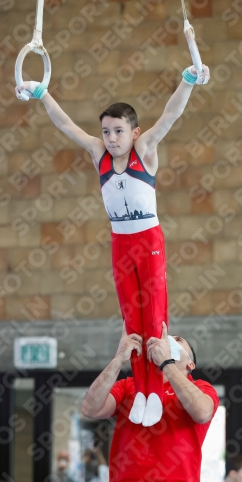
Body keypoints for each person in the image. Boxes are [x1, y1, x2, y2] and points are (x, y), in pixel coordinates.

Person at [16, 61, 209, 427]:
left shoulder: (146, 149)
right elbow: (65, 124)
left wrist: (187, 79)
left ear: (134, 133)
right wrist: (42, 93)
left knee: (154, 319)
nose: (111, 139)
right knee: (131, 320)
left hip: (148, 238)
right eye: (106, 132)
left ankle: (155, 389)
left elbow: (170, 115)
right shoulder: (97, 154)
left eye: (119, 131)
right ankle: (139, 390)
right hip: (120, 241)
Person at [81, 321, 219, 482]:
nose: (168, 340)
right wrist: (118, 359)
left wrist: (166, 363)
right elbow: (90, 409)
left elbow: (202, 412)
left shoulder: (200, 387)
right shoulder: (129, 385)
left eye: (177, 340)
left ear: (190, 364)